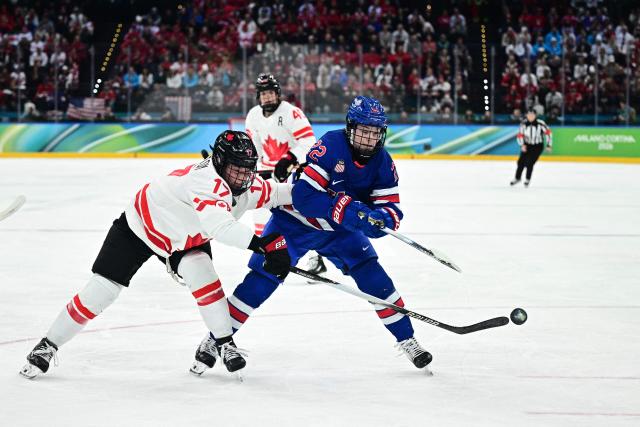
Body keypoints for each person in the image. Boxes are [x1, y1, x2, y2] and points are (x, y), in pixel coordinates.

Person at [20, 131, 292, 379]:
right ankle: (47, 344)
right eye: (237, 169)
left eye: (248, 170)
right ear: (219, 162)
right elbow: (220, 226)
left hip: (183, 239)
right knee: (101, 290)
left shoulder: (244, 184)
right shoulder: (205, 181)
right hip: (139, 226)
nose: (244, 177)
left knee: (203, 275)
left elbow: (279, 193)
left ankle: (223, 342)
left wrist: (323, 189)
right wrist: (263, 245)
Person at [190, 96, 433, 374]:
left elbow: (391, 212)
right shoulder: (331, 145)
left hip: (339, 233)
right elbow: (304, 197)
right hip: (294, 223)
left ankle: (408, 339)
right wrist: (345, 209)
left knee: (373, 276)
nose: (368, 139)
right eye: (363, 131)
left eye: (374, 132)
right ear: (350, 127)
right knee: (262, 279)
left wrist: (377, 222)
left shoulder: (383, 163)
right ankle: (214, 340)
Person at [245, 73, 326, 275]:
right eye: (263, 94)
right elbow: (253, 147)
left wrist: (289, 158)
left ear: (278, 93)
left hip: (292, 174)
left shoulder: (292, 113)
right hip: (265, 174)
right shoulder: (253, 115)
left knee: (299, 218)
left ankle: (315, 259)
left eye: (271, 93)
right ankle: (269, 256)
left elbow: (309, 143)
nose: (267, 98)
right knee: (260, 217)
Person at [511, 108, 552, 187]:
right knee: (520, 162)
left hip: (537, 146)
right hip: (527, 145)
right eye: (529, 115)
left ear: (535, 115)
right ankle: (517, 178)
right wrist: (522, 145)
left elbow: (548, 133)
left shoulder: (541, 124)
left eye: (532, 115)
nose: (530, 116)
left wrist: (549, 145)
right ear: (526, 115)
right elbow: (520, 135)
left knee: (530, 163)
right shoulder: (523, 123)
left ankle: (527, 179)